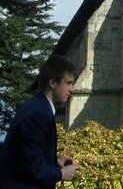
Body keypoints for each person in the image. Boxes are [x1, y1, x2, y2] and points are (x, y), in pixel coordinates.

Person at [0, 55, 80, 189]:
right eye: (68, 83)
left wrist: (54, 161)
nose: (71, 89)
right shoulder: (39, 114)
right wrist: (60, 173)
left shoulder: (37, 106)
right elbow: (30, 166)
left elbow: (28, 153)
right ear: (53, 83)